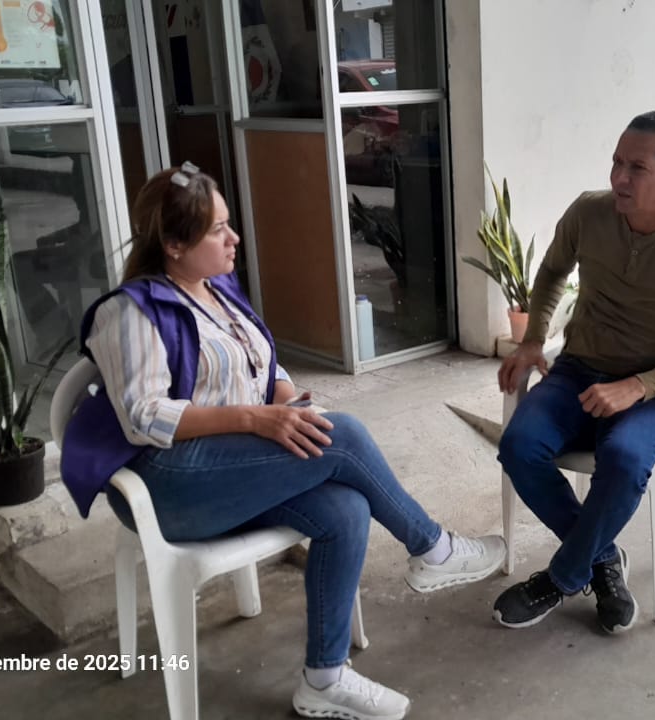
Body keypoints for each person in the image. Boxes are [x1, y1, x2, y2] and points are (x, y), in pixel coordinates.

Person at [59, 163, 506, 720]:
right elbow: (143, 418)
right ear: (173, 245)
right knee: (344, 435)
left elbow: (264, 367)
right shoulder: (131, 312)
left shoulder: (217, 291)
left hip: (231, 470)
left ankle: (324, 678)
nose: (234, 238)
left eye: (228, 223)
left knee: (346, 509)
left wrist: (287, 400)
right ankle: (432, 549)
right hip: (167, 485)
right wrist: (256, 419)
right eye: (217, 230)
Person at [492, 111, 655, 634]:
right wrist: (533, 339)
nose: (619, 178)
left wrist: (639, 386)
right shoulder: (589, 213)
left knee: (624, 461)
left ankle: (560, 578)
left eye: (637, 168)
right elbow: (551, 270)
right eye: (616, 162)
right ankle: (601, 558)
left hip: (653, 388)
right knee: (518, 446)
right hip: (578, 371)